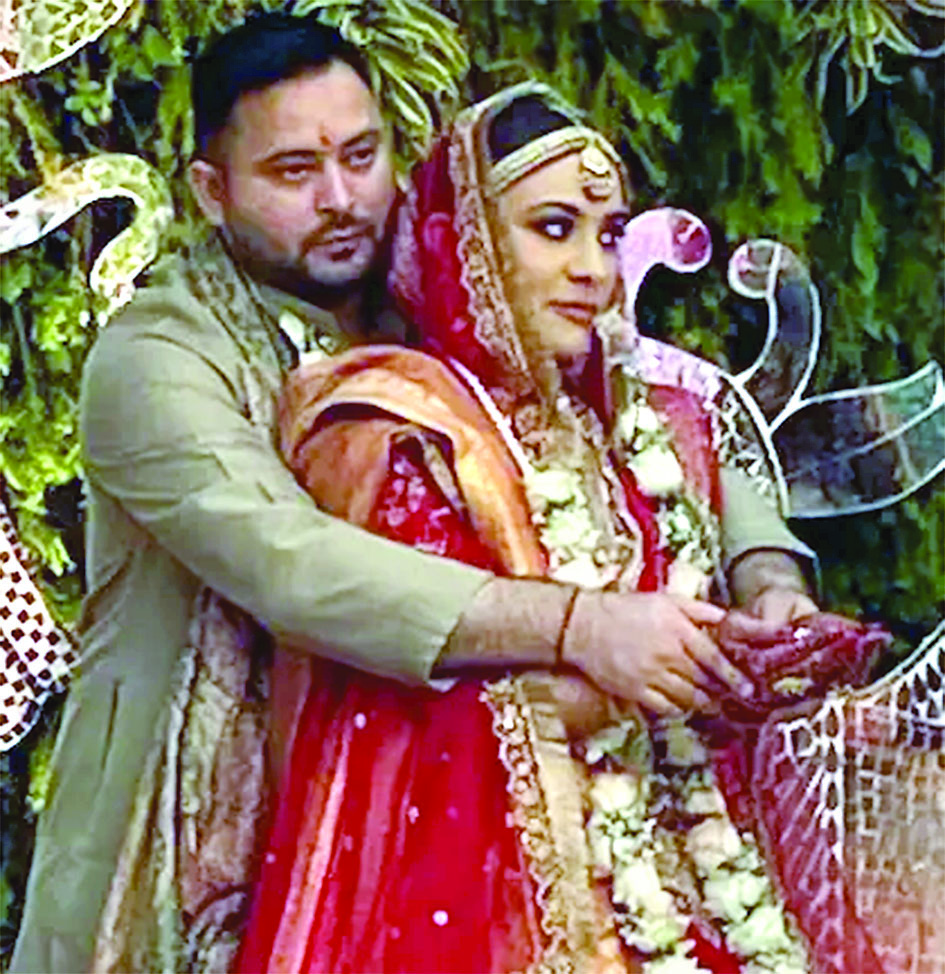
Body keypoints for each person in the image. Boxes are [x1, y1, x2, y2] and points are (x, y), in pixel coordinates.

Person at [10, 12, 815, 974]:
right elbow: (295, 566)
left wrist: (764, 569)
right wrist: (580, 627)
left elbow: (636, 401)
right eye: (293, 172)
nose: (342, 198)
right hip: (193, 833)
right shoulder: (157, 356)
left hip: (395, 843)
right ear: (211, 193)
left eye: (361, 155)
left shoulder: (429, 283)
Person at [234, 83, 827, 973]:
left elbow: (729, 501)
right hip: (490, 904)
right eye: (553, 229)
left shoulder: (630, 418)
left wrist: (770, 598)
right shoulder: (396, 431)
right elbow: (380, 713)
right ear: (464, 240)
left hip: (689, 872)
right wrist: (658, 673)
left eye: (608, 234)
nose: (593, 268)